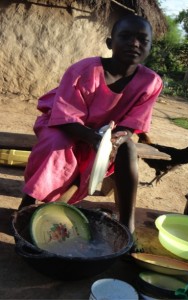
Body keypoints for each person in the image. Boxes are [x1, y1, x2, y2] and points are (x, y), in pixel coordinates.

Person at [19, 14, 163, 234]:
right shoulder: (83, 71)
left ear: (151, 47)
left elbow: (134, 121)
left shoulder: (151, 82)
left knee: (128, 148)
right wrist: (93, 138)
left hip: (106, 134)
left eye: (143, 40)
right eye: (125, 36)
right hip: (64, 125)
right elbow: (65, 116)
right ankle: (27, 205)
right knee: (56, 144)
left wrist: (116, 139)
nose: (134, 43)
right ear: (109, 43)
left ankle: (127, 226)